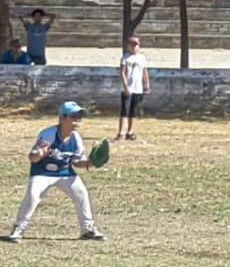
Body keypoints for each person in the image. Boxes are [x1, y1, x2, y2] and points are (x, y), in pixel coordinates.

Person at [9, 101, 106, 242]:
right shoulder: (48, 134)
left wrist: (90, 163)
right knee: (33, 196)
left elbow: (77, 162)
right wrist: (40, 153)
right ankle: (19, 228)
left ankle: (88, 229)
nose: (77, 120)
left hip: (65, 173)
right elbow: (32, 157)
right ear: (62, 118)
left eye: (79, 117)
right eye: (74, 116)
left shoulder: (76, 138)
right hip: (42, 172)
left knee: (82, 194)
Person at [117, 35, 151, 140]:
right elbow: (122, 72)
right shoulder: (125, 57)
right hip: (128, 88)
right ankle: (121, 132)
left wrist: (147, 85)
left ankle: (130, 132)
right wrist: (126, 86)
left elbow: (145, 72)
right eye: (132, 44)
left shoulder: (142, 58)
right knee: (124, 110)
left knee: (133, 110)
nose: (134, 47)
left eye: (136, 45)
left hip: (138, 88)